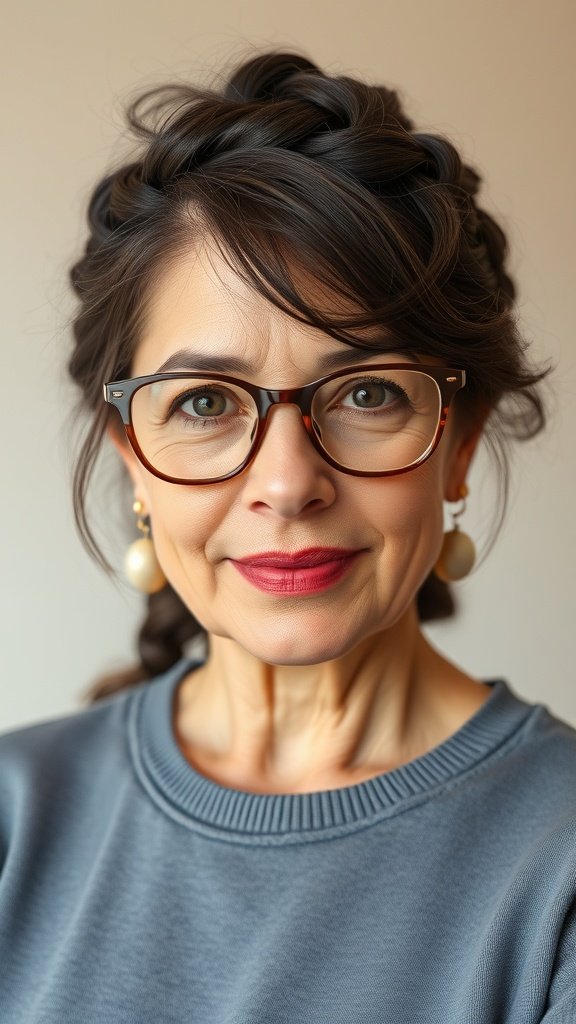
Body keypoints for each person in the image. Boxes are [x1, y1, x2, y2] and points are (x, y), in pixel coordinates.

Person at [0, 50, 574, 1024]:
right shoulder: (14, 819)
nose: (286, 483)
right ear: (132, 455)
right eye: (206, 402)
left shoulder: (557, 867)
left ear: (459, 440)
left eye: (366, 392)